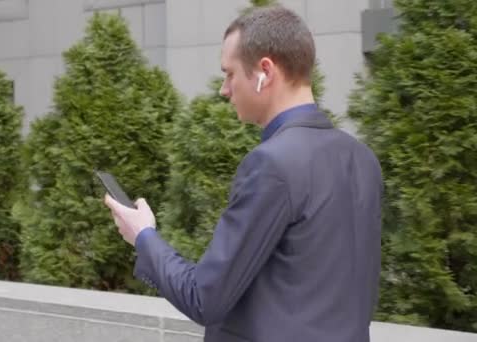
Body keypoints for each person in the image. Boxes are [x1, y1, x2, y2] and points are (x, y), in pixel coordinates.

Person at [104, 5, 382, 342]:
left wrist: (144, 237)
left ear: (264, 70)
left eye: (230, 73)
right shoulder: (363, 158)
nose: (224, 88)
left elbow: (203, 297)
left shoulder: (273, 164)